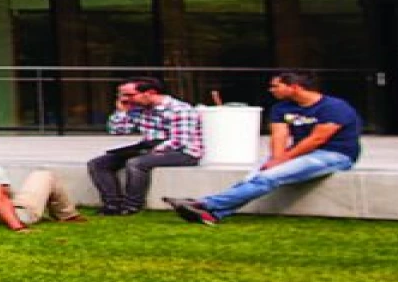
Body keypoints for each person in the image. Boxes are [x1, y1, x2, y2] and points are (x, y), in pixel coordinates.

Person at [166, 72, 365, 226]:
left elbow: (316, 139)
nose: (271, 90)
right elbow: (279, 136)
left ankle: (205, 204)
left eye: (276, 86)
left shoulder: (334, 107)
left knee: (269, 177)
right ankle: (212, 214)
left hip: (334, 155)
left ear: (294, 87)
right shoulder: (282, 108)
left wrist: (282, 160)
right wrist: (276, 158)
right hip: (298, 153)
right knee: (254, 177)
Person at [89, 77, 204, 216]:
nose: (125, 99)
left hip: (183, 152)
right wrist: (122, 112)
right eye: (121, 95)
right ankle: (112, 205)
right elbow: (117, 130)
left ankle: (131, 206)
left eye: (129, 95)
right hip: (149, 147)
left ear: (150, 93)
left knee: (136, 163)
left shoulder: (180, 109)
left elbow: (179, 140)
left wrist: (151, 151)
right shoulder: (138, 108)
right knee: (98, 163)